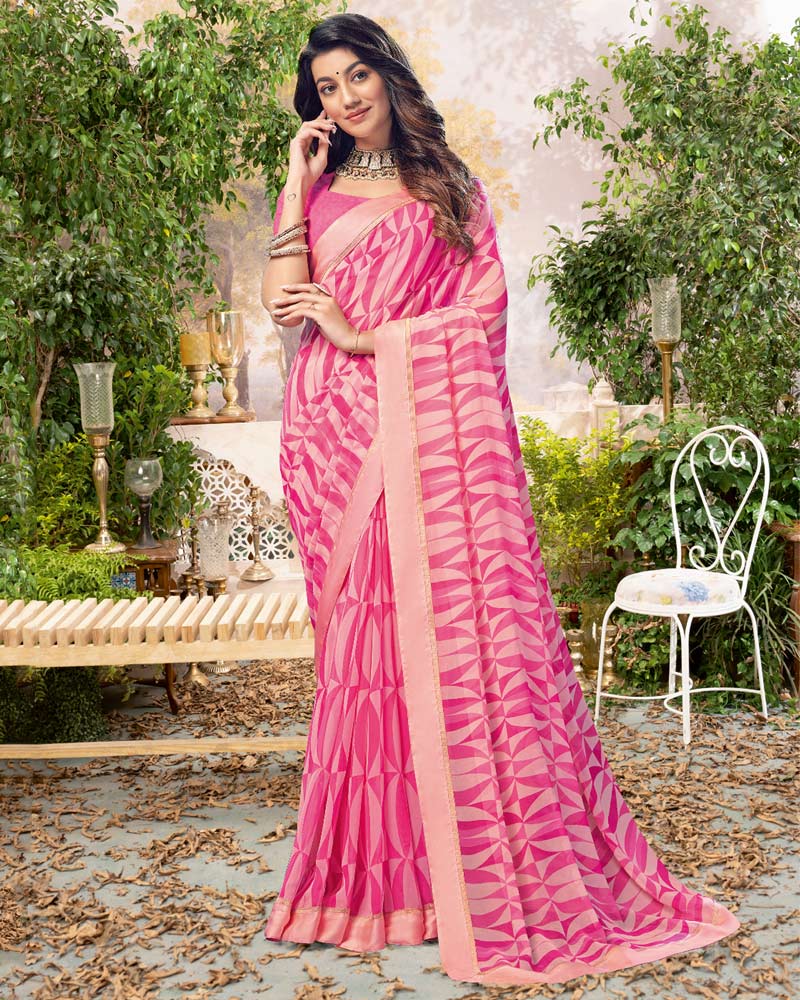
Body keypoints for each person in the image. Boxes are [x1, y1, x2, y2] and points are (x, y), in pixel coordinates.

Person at [260, 12, 740, 988]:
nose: (346, 99)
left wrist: (365, 337)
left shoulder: (449, 186)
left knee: (426, 639)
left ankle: (446, 879)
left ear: (389, 76)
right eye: (328, 88)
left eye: (357, 77)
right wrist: (296, 184)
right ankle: (371, 886)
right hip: (332, 437)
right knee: (362, 649)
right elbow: (282, 301)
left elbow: (479, 317)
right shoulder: (317, 187)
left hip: (415, 425)